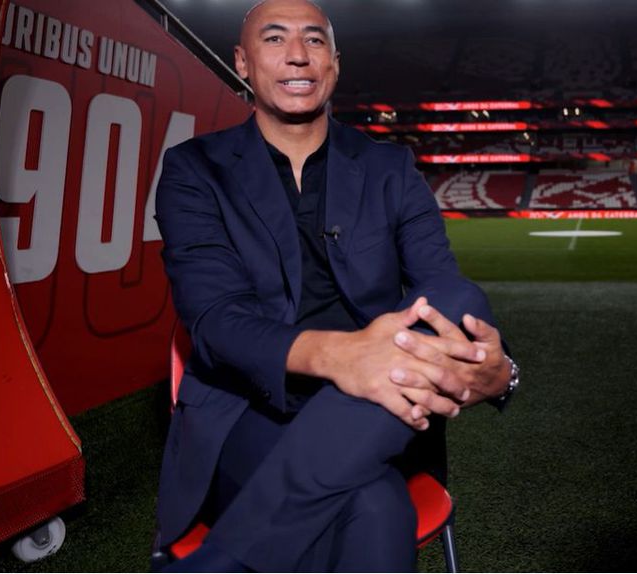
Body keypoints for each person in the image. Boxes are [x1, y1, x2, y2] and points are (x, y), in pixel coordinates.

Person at [152, 0, 520, 570]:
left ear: (335, 62)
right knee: (375, 506)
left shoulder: (390, 167)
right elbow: (216, 322)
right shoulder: (195, 169)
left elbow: (444, 294)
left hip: (382, 410)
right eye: (275, 38)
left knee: (459, 298)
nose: (298, 55)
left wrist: (500, 375)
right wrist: (343, 356)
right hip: (251, 414)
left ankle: (220, 563)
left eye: (314, 40)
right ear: (242, 63)